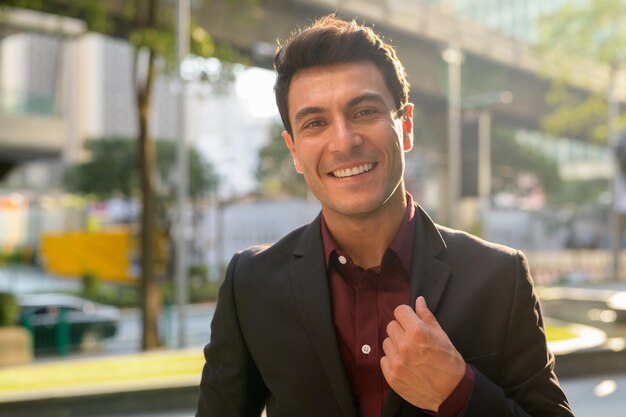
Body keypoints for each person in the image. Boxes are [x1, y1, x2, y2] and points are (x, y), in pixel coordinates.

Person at [195, 14, 574, 417]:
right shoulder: (250, 285)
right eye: (316, 123)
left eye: (364, 112)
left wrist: (459, 391)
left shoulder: (500, 277)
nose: (344, 141)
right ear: (294, 150)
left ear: (405, 126)